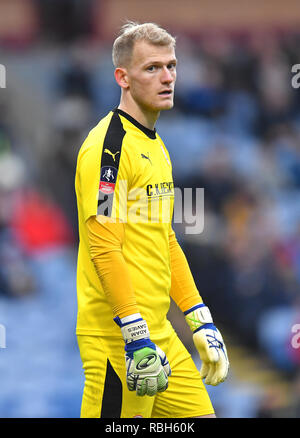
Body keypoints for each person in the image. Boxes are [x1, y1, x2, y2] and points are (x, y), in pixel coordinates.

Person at [75, 21, 229, 419]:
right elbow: (104, 245)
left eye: (171, 66)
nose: (167, 77)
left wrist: (200, 318)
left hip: (160, 332)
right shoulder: (107, 150)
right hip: (121, 339)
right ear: (121, 78)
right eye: (152, 68)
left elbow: (165, 240)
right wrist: (133, 332)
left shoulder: (157, 147)